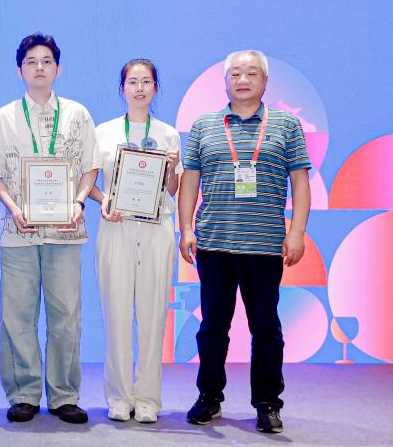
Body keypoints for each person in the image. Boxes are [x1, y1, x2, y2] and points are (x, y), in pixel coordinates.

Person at [179, 50, 311, 435]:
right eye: (235, 73)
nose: (243, 80)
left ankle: (268, 403)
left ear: (265, 81)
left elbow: (300, 181)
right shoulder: (204, 125)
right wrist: (185, 228)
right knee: (212, 328)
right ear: (225, 82)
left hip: (265, 245)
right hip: (214, 244)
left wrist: (297, 232)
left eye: (252, 73)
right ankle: (209, 397)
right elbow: (190, 181)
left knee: (266, 329)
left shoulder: (286, 125)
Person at [0, 33, 100, 424]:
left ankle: (64, 395)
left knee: (65, 315)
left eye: (46, 61)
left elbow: (90, 168)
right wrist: (14, 207)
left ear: (58, 68)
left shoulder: (77, 115)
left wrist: (78, 202)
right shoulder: (4, 117)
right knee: (17, 316)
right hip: (18, 230)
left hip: (66, 231)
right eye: (31, 61)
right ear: (19, 70)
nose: (39, 67)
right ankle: (23, 393)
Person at [87, 59, 181, 424]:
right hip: (117, 227)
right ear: (122, 88)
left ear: (155, 88)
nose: (139, 88)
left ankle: (148, 398)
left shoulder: (168, 134)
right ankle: (119, 396)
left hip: (156, 229)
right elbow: (90, 183)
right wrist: (104, 201)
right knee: (116, 315)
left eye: (146, 82)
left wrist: (171, 168)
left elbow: (173, 188)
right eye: (132, 82)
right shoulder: (104, 132)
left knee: (153, 316)